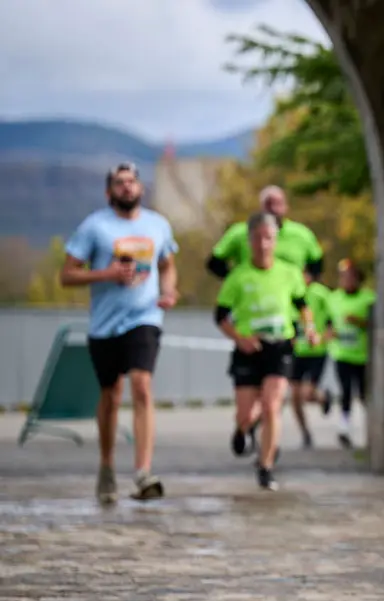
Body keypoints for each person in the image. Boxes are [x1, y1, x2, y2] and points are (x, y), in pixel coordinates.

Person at [59, 162, 179, 504]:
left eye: (132, 182)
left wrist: (168, 292)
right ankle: (107, 464)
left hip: (145, 317)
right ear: (108, 191)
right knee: (111, 394)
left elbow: (168, 265)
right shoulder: (94, 227)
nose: (127, 187)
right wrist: (106, 274)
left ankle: (143, 473)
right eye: (119, 183)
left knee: (142, 384)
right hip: (105, 324)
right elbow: (67, 275)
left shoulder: (158, 225)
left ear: (141, 188)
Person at [206, 185, 324, 455]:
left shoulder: (301, 235)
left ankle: (268, 449)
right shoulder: (240, 233)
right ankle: (250, 427)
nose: (273, 208)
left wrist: (296, 286)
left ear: (286, 207)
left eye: (278, 203)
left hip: (286, 322)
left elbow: (317, 266)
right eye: (268, 203)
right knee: (251, 403)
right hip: (250, 322)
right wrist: (243, 283)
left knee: (273, 397)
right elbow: (213, 262)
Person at [328, 258, 376, 449]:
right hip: (342, 353)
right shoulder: (334, 298)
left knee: (364, 394)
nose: (346, 281)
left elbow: (377, 325)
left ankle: (370, 431)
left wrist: (359, 322)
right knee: (346, 391)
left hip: (362, 356)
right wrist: (329, 330)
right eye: (343, 277)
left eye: (350, 277)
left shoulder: (369, 298)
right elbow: (328, 320)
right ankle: (344, 429)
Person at [290, 268, 334, 449]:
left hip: (317, 352)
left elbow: (332, 322)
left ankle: (323, 397)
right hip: (297, 353)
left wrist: (322, 338)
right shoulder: (291, 293)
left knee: (307, 394)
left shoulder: (321, 294)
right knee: (294, 397)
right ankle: (305, 432)